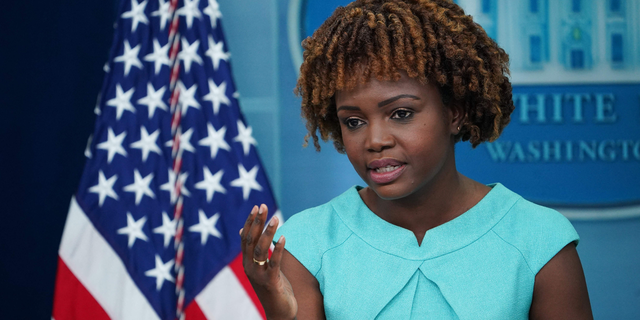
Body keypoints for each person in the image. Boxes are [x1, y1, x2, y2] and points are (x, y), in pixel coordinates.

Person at [239, 0, 593, 319]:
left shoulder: (539, 240)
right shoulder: (304, 243)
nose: (375, 141)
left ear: (454, 113)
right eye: (354, 121)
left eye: (401, 113)